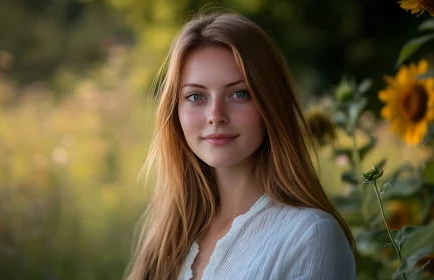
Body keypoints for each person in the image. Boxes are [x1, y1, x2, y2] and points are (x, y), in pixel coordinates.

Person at [125, 11, 357, 280]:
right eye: (196, 96)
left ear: (270, 103)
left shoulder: (311, 238)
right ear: (175, 111)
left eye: (239, 93)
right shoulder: (169, 239)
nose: (215, 115)